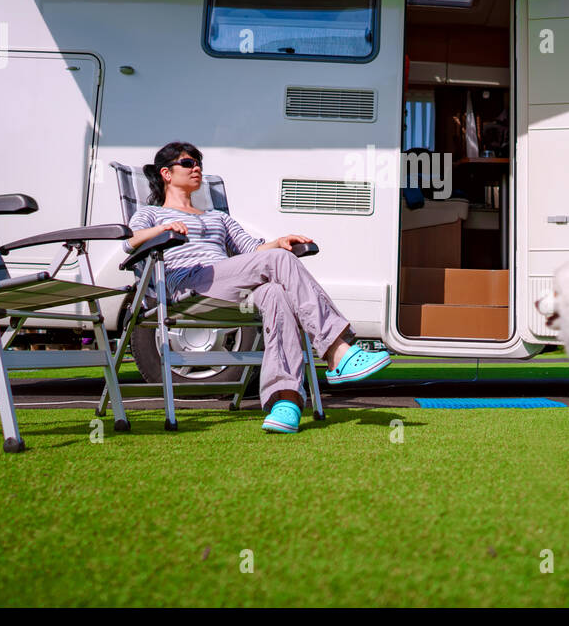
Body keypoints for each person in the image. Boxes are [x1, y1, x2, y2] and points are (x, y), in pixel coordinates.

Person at [125, 141, 391, 433]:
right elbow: (130, 241)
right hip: (187, 285)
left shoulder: (218, 218)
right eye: (188, 163)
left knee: (275, 291)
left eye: (199, 163)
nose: (197, 168)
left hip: (225, 289)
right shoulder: (152, 214)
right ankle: (336, 351)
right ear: (166, 173)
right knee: (277, 262)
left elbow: (252, 250)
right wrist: (163, 229)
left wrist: (279, 242)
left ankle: (284, 401)